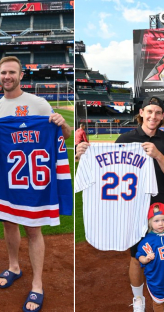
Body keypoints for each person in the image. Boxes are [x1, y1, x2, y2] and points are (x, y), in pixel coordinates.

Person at [76, 96, 164, 312]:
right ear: (141, 112)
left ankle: (163, 299)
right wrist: (84, 156)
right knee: (136, 256)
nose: (153, 116)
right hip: (133, 206)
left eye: (158, 113)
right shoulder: (126, 137)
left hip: (161, 205)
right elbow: (108, 167)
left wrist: (159, 155)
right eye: (149, 111)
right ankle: (138, 298)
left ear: (162, 116)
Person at [0, 56, 71, 312]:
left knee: (33, 230)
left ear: (21, 76)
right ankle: (14, 267)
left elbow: (66, 135)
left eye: (11, 72)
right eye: (3, 73)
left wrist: (62, 125)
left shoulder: (38, 104)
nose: (6, 77)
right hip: (8, 181)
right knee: (9, 223)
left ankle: (37, 284)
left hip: (34, 182)